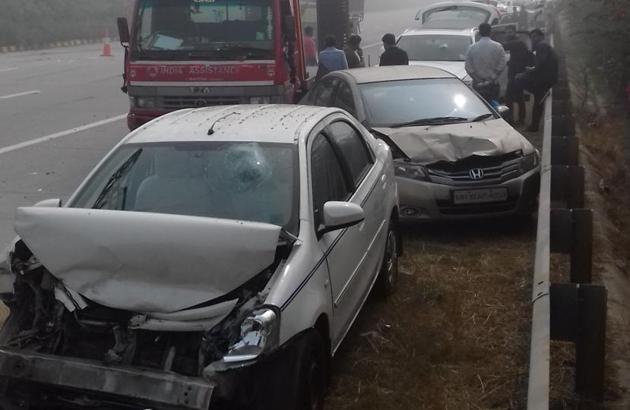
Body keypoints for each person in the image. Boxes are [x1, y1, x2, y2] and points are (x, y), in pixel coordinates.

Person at [515, 28, 558, 131]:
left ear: (541, 36)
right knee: (537, 102)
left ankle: (534, 126)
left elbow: (540, 64)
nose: (533, 39)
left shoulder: (541, 46)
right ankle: (534, 125)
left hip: (544, 79)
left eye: (535, 36)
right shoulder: (544, 45)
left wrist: (529, 70)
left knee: (518, 79)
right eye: (532, 37)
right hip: (547, 77)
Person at [465, 23, 508, 103]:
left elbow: (468, 67)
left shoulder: (472, 48)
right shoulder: (498, 46)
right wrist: (491, 78)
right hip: (493, 84)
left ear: (480, 33)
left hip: (478, 85)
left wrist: (478, 79)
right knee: (494, 107)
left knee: (480, 107)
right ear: (490, 32)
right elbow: (502, 65)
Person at [503, 25, 533, 125]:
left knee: (509, 98)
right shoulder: (518, 43)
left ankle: (510, 119)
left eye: (510, 32)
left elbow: (503, 46)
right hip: (517, 73)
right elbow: (517, 57)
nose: (508, 34)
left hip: (516, 74)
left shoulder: (517, 42)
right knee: (519, 97)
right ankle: (520, 119)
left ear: (514, 33)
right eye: (506, 32)